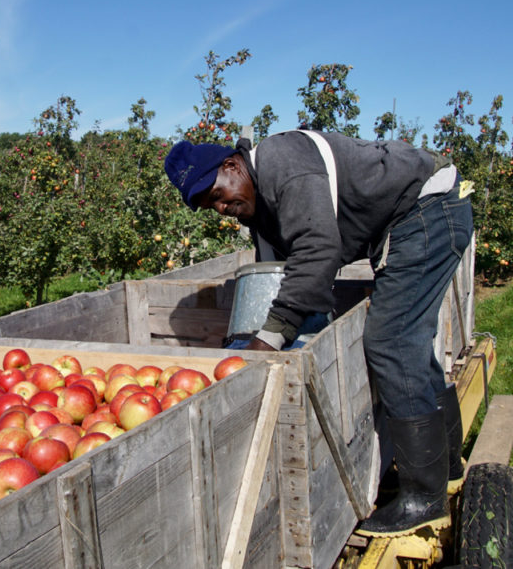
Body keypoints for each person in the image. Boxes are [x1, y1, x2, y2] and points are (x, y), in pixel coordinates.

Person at [163, 130, 473, 537]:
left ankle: (424, 498)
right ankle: (445, 467)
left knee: (391, 341)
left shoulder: (282, 162)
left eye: (218, 193)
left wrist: (266, 343)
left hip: (428, 209)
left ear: (232, 165)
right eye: (210, 206)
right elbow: (280, 279)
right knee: (408, 341)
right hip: (414, 217)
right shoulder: (260, 211)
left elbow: (317, 251)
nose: (222, 207)